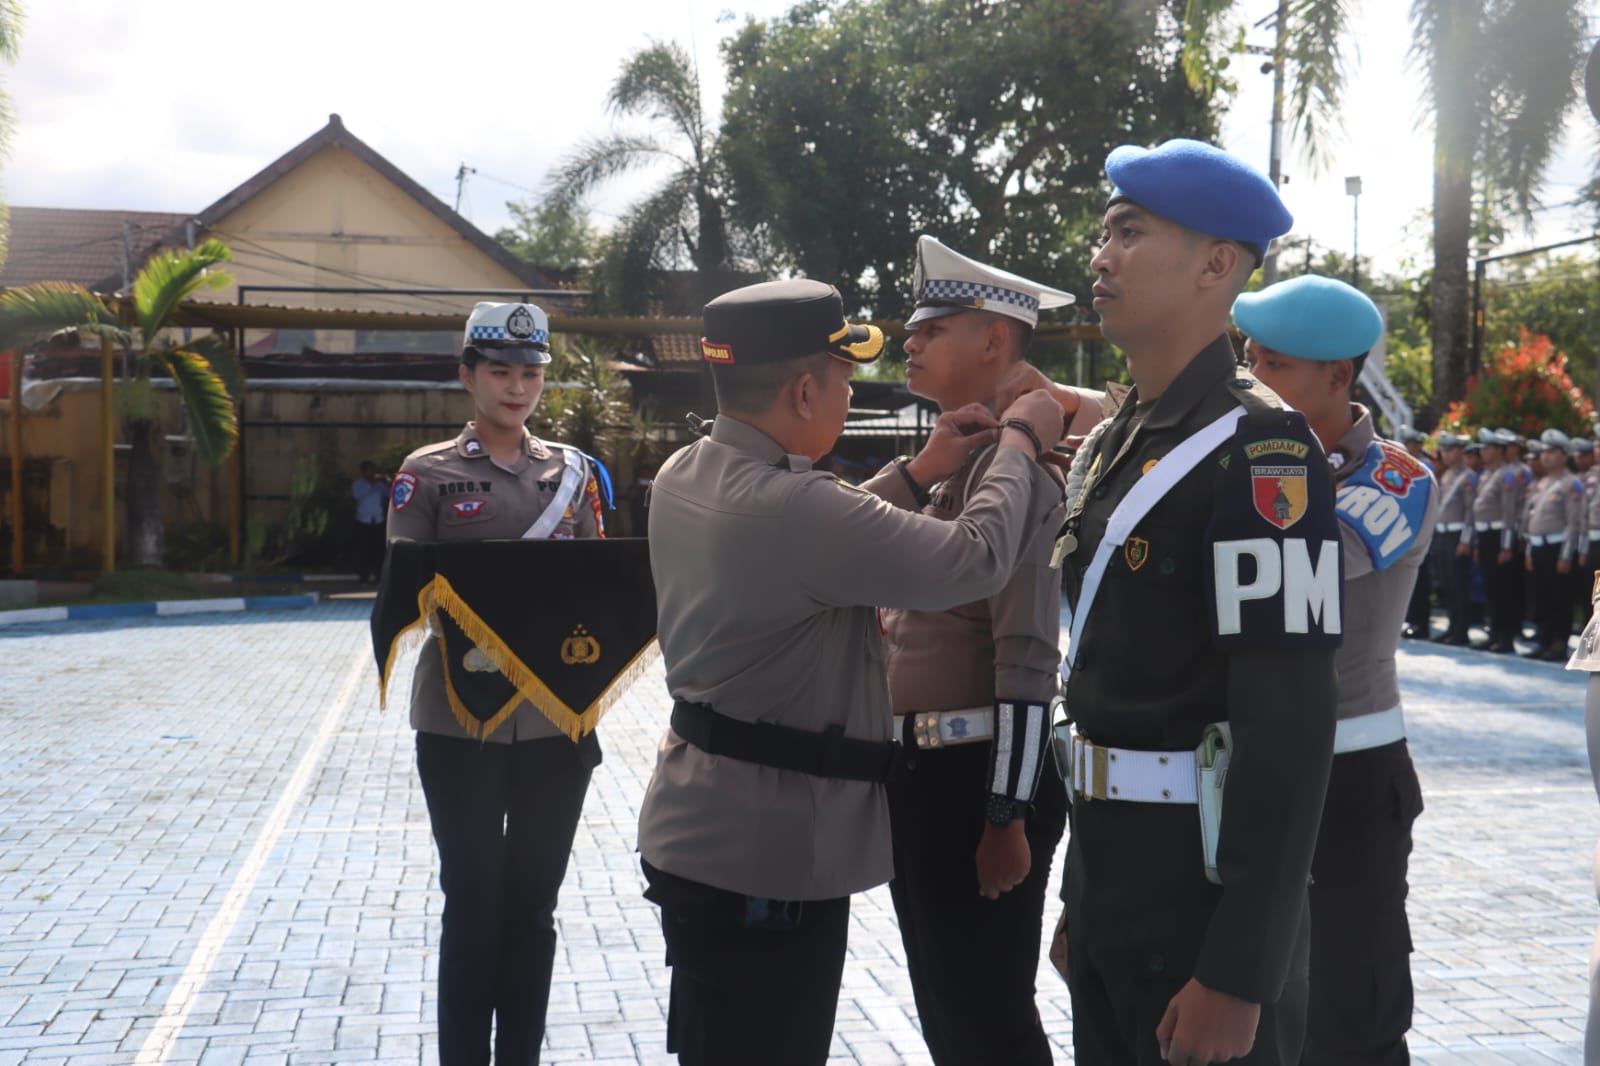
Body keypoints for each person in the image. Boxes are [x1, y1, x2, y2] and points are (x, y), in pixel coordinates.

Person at [635, 278, 1068, 1066]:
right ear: (805, 391)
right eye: (841, 379)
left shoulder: (685, 474)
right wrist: (1021, 445)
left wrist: (917, 470)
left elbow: (801, 541)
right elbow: (972, 558)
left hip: (704, 831)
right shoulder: (797, 508)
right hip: (769, 855)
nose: (849, 391)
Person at [1051, 139, 1341, 1066]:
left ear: (1218, 264)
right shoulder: (1116, 440)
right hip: (1109, 886)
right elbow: (1102, 685)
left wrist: (1242, 970)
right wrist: (1076, 897)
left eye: (1129, 233)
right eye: (1105, 234)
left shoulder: (1265, 452)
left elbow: (1290, 729)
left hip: (1201, 900)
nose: (1101, 256)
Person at [884, 236, 1100, 1066]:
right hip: (930, 777)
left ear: (994, 343)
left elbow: (1025, 658)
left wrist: (1005, 814)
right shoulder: (961, 468)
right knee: (949, 1008)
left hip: (977, 781)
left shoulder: (1026, 478)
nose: (911, 342)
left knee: (988, 1019)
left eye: (932, 327)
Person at [387, 301, 609, 1066]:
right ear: (468, 377)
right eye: (501, 372)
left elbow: (594, 587)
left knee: (534, 907)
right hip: (460, 719)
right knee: (474, 903)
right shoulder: (429, 475)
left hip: (553, 723)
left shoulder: (572, 475)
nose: (518, 387)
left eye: (531, 373)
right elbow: (405, 588)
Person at [1233, 273, 1436, 1065]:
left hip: (1351, 769)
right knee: (1259, 997)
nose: (1250, 378)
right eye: (1246, 359)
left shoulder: (1395, 476)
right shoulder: (1240, 450)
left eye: (1272, 364)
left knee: (1353, 1003)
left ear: (1339, 377)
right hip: (1256, 760)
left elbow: (1292, 568)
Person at [1522, 429, 1584, 661]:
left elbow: (1573, 523)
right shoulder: (1542, 482)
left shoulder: (1571, 483)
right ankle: (1544, 640)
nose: (1545, 456)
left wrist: (1566, 555)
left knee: (1559, 597)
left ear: (1564, 455)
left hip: (1556, 548)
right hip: (1538, 546)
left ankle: (1559, 643)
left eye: (1551, 451)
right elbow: (1531, 519)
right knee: (1541, 597)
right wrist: (1529, 549)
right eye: (1544, 452)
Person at [1469, 429, 1520, 652]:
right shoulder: (1486, 474)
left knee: (1504, 589)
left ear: (1498, 450)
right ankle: (1495, 632)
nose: (1483, 451)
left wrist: (1507, 544)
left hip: (1499, 536)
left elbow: (1509, 512)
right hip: (1485, 535)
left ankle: (1505, 636)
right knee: (1490, 587)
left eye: (1488, 447)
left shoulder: (1507, 474)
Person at [1431, 433, 1478, 646]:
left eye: (1450, 450)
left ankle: (1461, 630)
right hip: (1442, 533)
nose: (1445, 454)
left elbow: (1470, 511)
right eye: (1444, 450)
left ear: (1459, 451)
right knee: (1447, 584)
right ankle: (1452, 626)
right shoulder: (1446, 474)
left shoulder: (1467, 476)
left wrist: (1466, 540)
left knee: (1459, 585)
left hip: (1457, 535)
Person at [1398, 427, 1435, 638]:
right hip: (1405, 529)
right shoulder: (1402, 464)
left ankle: (1421, 623)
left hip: (1419, 528)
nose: (1412, 447)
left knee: (1420, 581)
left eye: (1414, 443)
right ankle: (1412, 620)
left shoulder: (1423, 468)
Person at [351, 459, 389, 583]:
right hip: (364, 520)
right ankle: (364, 576)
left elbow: (389, 494)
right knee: (364, 550)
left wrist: (387, 483)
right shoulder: (358, 484)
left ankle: (379, 575)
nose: (372, 473)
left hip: (378, 520)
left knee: (379, 549)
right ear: (363, 472)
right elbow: (357, 496)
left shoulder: (379, 485)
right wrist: (371, 484)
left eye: (373, 470)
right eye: (369, 470)